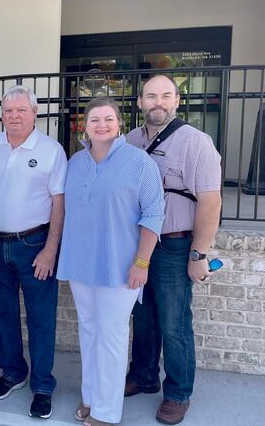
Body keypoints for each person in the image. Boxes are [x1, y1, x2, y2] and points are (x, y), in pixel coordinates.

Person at [57, 98, 164, 426]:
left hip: (121, 264)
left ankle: (106, 411)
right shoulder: (75, 162)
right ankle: (90, 397)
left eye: (108, 119)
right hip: (80, 263)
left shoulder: (139, 161)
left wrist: (142, 262)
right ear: (84, 126)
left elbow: (154, 212)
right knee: (88, 331)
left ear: (119, 123)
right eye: (94, 120)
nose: (101, 125)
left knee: (112, 335)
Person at [125, 75, 222, 425]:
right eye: (151, 96)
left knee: (174, 322)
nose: (158, 102)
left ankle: (178, 392)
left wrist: (198, 254)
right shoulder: (130, 140)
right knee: (143, 316)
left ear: (177, 101)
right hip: (140, 244)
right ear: (140, 103)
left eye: (166, 96)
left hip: (176, 244)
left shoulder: (197, 142)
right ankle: (144, 376)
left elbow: (211, 203)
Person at [0, 85, 67, 419]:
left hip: (35, 245)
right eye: (8, 111)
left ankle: (42, 385)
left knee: (41, 319)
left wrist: (50, 250)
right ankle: (13, 372)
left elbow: (59, 203)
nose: (14, 116)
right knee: (3, 315)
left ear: (35, 113)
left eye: (21, 110)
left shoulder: (50, 150)